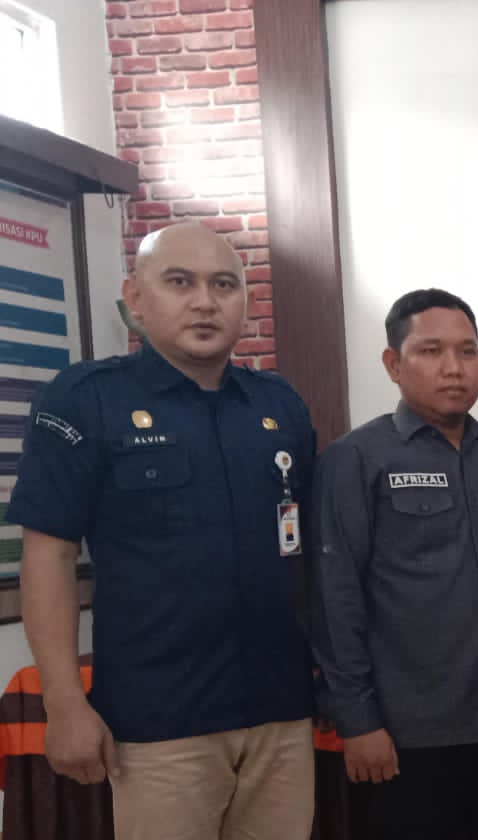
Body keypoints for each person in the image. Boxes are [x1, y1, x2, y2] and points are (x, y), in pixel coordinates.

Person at [8, 221, 317, 839]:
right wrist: (64, 704)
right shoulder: (85, 400)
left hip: (280, 712)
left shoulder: (277, 404)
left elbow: (306, 549)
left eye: (224, 285)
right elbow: (48, 557)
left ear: (245, 302)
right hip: (161, 722)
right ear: (136, 297)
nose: (205, 301)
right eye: (180, 282)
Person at [310, 289, 478, 840]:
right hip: (411, 735)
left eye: (468, 351)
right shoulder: (355, 459)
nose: (454, 368)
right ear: (393, 364)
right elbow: (335, 597)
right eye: (431, 351)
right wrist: (358, 720)